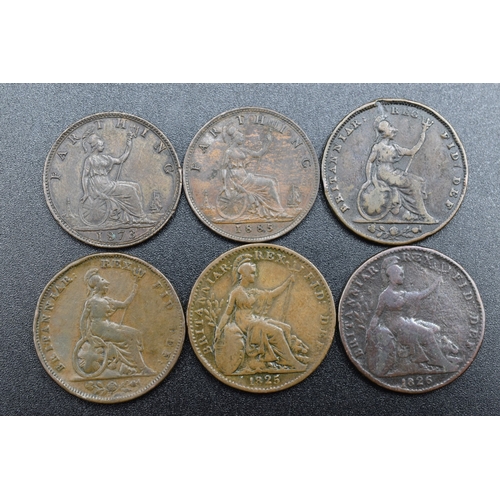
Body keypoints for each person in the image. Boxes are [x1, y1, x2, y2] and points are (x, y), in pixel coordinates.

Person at [213, 255, 307, 374]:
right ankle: (291, 362)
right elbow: (227, 313)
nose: (255, 275)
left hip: (254, 320)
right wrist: (219, 329)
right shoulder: (236, 292)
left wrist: (287, 282)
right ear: (244, 275)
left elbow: (272, 294)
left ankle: (287, 357)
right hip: (245, 324)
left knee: (286, 328)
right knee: (277, 332)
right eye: (252, 273)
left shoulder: (253, 292)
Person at [366, 256, 458, 375]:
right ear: (393, 276)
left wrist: (435, 283)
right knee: (428, 332)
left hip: (404, 321)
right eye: (401, 274)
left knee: (435, 328)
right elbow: (377, 314)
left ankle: (435, 357)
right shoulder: (384, 295)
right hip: (395, 325)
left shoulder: (402, 293)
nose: (403, 277)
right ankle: (443, 364)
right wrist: (371, 330)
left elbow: (421, 294)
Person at [358, 108, 436, 223]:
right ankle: (423, 215)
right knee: (413, 184)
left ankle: (410, 212)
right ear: (384, 133)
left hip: (393, 173)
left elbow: (412, 152)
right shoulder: (378, 147)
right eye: (390, 127)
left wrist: (423, 133)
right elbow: (370, 162)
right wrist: (368, 180)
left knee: (418, 181)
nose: (394, 129)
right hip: (384, 174)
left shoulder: (395, 148)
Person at [75, 268, 154, 377]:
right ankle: (142, 368)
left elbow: (125, 304)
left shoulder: (108, 301)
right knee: (130, 338)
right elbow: (83, 319)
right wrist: (85, 336)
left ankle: (135, 365)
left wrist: (135, 286)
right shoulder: (91, 302)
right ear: (97, 285)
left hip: (107, 326)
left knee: (136, 333)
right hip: (98, 329)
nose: (106, 284)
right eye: (102, 281)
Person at [80, 131, 151, 225]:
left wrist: (128, 146)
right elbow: (85, 176)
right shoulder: (89, 160)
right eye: (101, 145)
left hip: (108, 184)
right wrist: (86, 192)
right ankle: (141, 217)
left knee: (136, 186)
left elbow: (121, 160)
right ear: (95, 146)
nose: (103, 146)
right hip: (101, 187)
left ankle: (132, 217)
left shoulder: (105, 158)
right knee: (130, 190)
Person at [219, 126, 286, 219]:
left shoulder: (241, 150)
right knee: (270, 183)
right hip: (239, 180)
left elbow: (258, 154)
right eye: (240, 137)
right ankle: (278, 211)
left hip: (246, 177)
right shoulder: (229, 152)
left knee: (273, 180)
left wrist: (267, 142)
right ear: (235, 138)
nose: (242, 139)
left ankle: (273, 209)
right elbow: (223, 168)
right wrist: (225, 185)